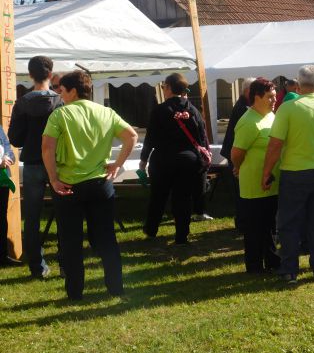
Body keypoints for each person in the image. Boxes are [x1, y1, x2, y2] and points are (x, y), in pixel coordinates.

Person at [42, 70, 137, 300]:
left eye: (62, 90)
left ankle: (75, 292)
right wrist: (117, 164)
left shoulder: (60, 114)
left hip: (68, 185)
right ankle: (116, 287)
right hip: (100, 184)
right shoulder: (106, 112)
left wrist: (53, 178)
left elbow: (47, 148)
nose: (60, 95)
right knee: (107, 239)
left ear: (73, 91)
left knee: (71, 241)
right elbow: (132, 136)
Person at [262, 65, 314, 284]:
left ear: (298, 86)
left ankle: (289, 269)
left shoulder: (287, 109)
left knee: (289, 222)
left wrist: (266, 172)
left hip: (294, 172)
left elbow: (275, 145)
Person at [8, 56, 62, 279]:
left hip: (32, 162)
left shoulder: (22, 103)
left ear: (30, 75)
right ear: (50, 74)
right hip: (57, 163)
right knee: (64, 213)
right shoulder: (60, 102)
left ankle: (37, 267)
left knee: (31, 216)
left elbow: (14, 138)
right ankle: (66, 263)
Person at [140, 73, 210, 245]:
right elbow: (202, 137)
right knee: (183, 198)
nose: (163, 89)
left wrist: (143, 160)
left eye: (164, 86)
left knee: (158, 196)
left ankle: (151, 229)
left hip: (163, 160)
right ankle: (182, 236)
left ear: (169, 88)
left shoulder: (159, 110)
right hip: (188, 161)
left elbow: (150, 138)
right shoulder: (193, 110)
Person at [231, 78, 281, 273]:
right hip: (253, 184)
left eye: (274, 96)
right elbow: (236, 153)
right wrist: (239, 167)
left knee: (269, 225)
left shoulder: (270, 116)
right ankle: (254, 266)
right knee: (254, 228)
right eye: (270, 97)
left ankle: (272, 261)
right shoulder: (248, 121)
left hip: (270, 182)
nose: (274, 100)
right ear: (256, 97)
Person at [220, 77, 255, 232]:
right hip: (236, 154)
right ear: (248, 91)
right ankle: (243, 223)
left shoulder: (244, 105)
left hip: (235, 153)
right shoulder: (243, 108)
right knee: (241, 191)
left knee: (241, 191)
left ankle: (244, 222)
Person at [0, 126, 17, 266]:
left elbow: (9, 149)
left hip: (3, 180)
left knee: (1, 217)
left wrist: (8, 158)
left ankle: (2, 256)